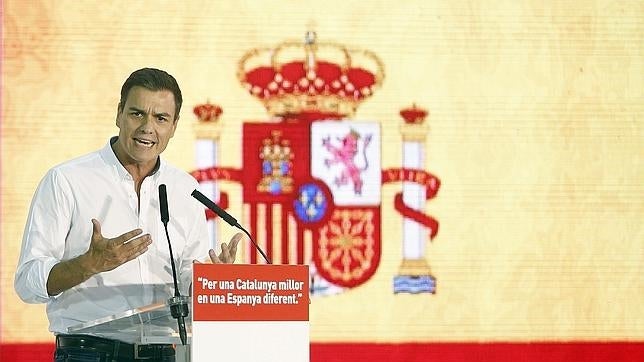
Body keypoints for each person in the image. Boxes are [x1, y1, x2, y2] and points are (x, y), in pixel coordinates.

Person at [14, 68, 239, 362]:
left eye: (161, 118)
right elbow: (28, 282)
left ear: (174, 126)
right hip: (88, 353)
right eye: (137, 113)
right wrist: (88, 265)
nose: (148, 127)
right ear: (119, 114)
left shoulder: (186, 189)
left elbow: (187, 280)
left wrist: (209, 283)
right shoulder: (67, 180)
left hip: (163, 352)